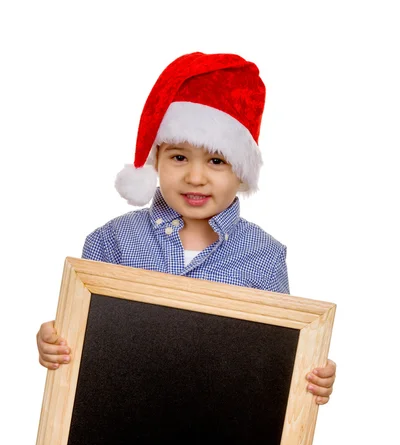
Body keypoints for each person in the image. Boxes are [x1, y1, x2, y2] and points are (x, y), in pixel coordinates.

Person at [36, 51, 336, 404]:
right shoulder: (113, 242)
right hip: (121, 423)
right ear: (156, 161)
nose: (195, 177)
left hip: (216, 432)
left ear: (240, 171)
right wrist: (54, 343)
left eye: (216, 160)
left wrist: (312, 373)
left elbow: (278, 357)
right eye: (179, 157)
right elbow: (82, 342)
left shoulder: (264, 256)